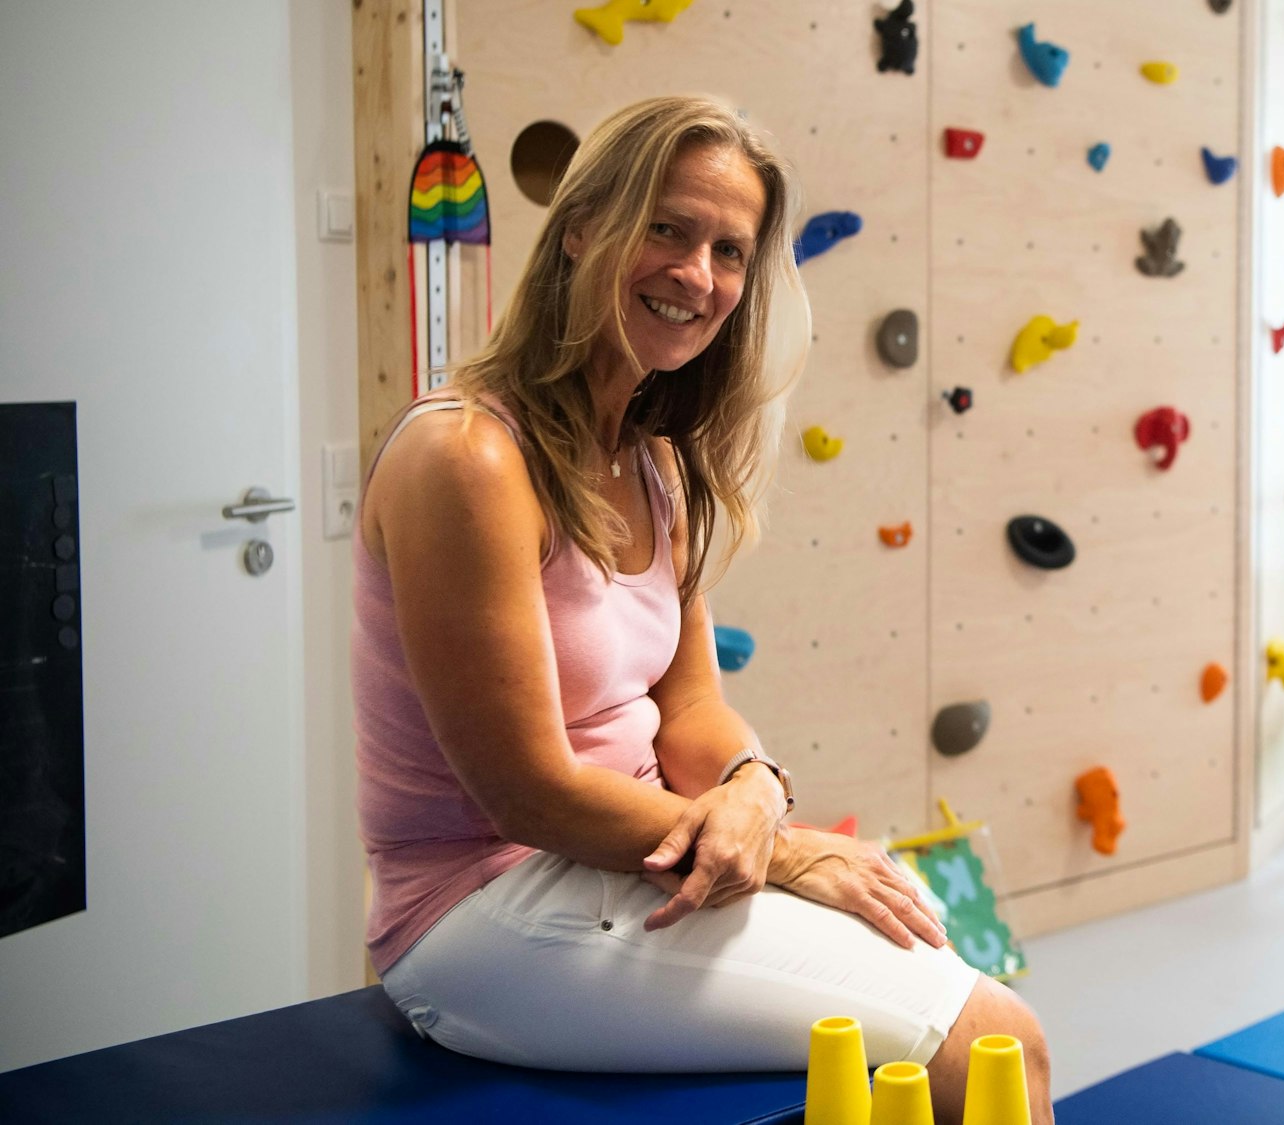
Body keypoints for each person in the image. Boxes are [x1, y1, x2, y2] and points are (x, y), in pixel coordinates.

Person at [352, 95, 1052, 1123]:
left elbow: (688, 711)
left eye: (729, 250)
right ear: (584, 225)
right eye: (668, 228)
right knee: (995, 1040)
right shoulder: (466, 458)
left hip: (632, 862)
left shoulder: (653, 462)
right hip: (481, 912)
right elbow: (525, 794)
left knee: (973, 1018)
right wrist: (784, 848)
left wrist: (753, 787)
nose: (697, 275)